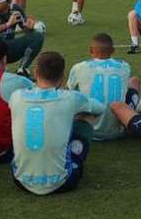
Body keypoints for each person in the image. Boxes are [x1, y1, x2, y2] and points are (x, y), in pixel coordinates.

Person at [6, 51, 105, 195]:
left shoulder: (16, 96)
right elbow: (100, 108)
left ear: (36, 72)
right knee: (86, 117)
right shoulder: (71, 98)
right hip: (63, 182)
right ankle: (75, 151)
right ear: (63, 76)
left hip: (20, 181)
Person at [67, 33, 140, 141]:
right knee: (134, 81)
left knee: (73, 93)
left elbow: (69, 90)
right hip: (117, 131)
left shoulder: (79, 67)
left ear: (91, 50)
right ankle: (132, 119)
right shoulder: (124, 66)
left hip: (87, 130)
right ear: (113, 50)